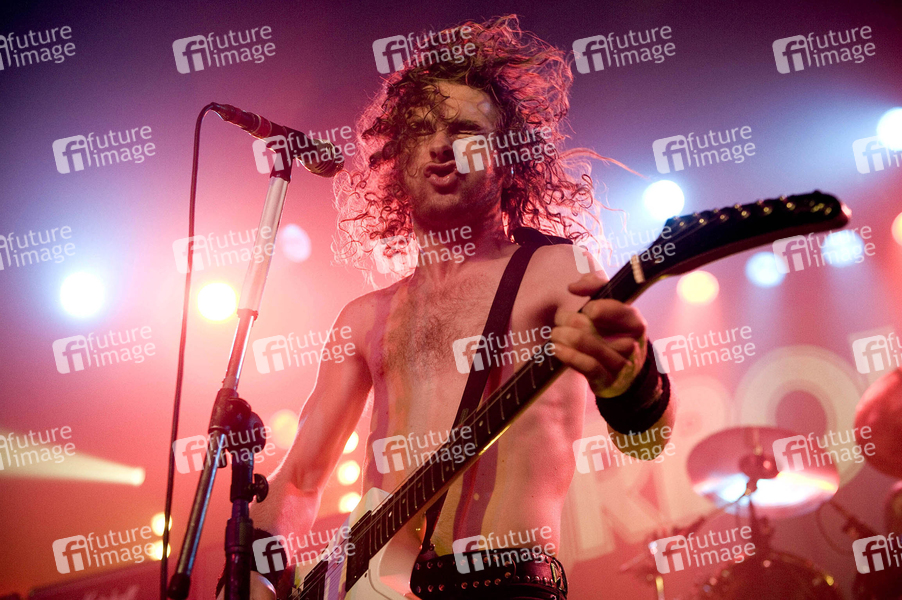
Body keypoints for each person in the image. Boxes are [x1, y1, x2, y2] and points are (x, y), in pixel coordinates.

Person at [228, 15, 675, 600]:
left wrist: (631, 382)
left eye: (465, 130)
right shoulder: (363, 318)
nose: (440, 145)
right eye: (420, 130)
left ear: (505, 157)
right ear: (396, 156)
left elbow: (649, 442)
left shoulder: (554, 272)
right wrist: (255, 577)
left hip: (506, 586)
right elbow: (298, 482)